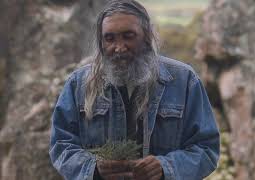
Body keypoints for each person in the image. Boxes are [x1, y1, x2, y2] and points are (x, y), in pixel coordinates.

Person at [49, 0, 220, 180]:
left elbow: (207, 149)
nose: (119, 47)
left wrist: (165, 166)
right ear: (101, 42)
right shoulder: (78, 85)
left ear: (146, 36)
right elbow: (60, 145)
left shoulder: (184, 81)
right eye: (110, 38)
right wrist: (93, 168)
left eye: (128, 36)